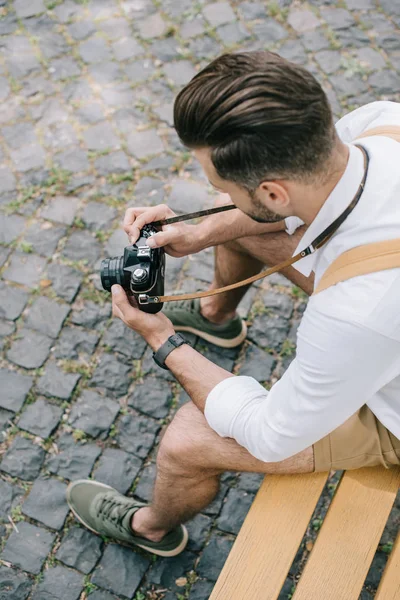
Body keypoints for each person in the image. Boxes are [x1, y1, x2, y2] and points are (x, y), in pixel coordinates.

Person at [66, 51, 400, 557]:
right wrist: (198, 230)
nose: (213, 192)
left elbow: (271, 434)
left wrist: (160, 337)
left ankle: (152, 528)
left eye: (219, 187)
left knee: (187, 438)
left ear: (272, 192)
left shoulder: (352, 315)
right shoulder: (383, 123)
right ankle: (217, 319)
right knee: (243, 228)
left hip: (388, 389)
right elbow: (279, 214)